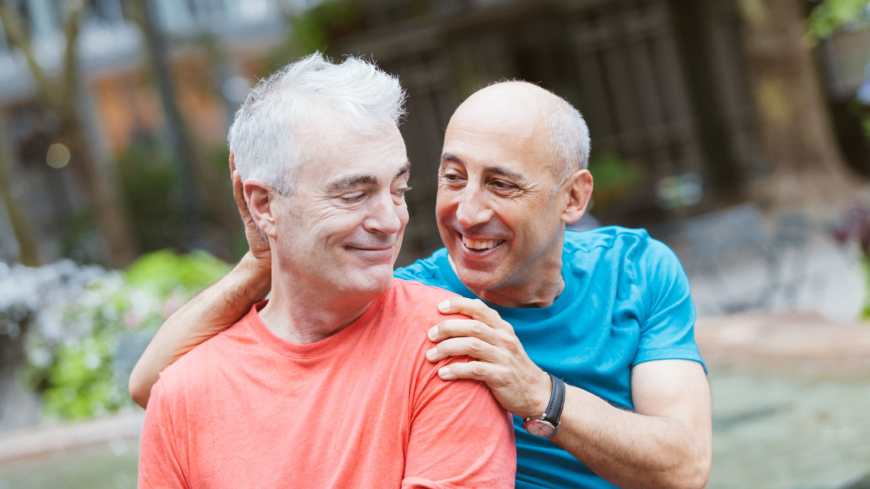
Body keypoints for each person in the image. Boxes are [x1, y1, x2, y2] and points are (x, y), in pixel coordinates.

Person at [132, 74, 712, 489]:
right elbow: (155, 387)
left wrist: (540, 394)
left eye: (502, 185)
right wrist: (265, 253)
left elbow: (685, 467)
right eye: (452, 177)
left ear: (574, 198)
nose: (466, 211)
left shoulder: (636, 269)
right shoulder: (415, 300)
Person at [136, 54, 516, 489]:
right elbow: (150, 386)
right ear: (263, 206)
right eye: (354, 194)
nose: (390, 221)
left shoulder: (450, 344)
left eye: (399, 189)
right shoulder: (183, 393)